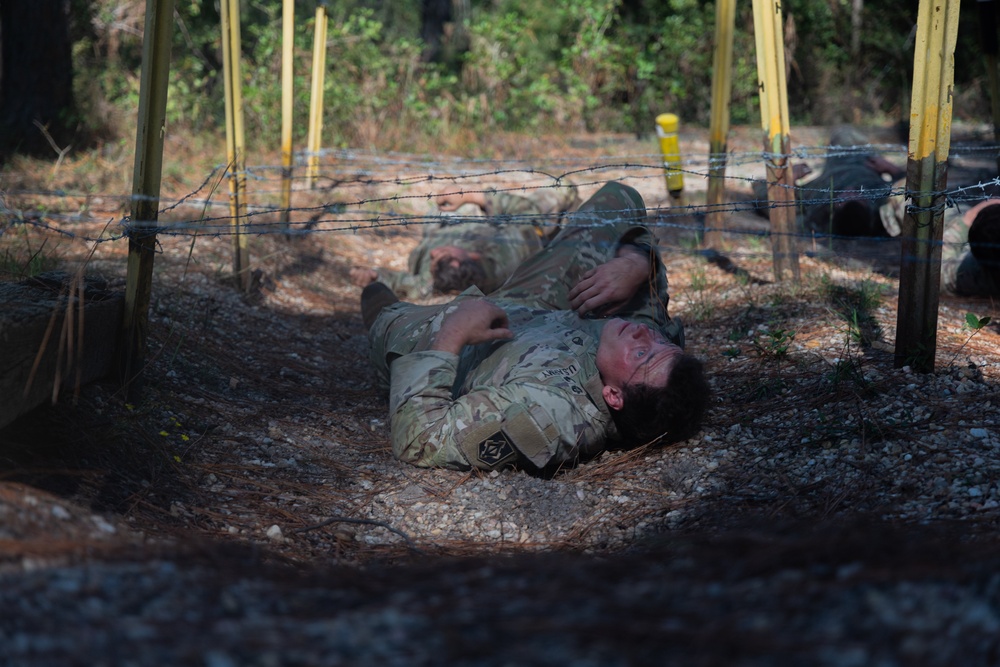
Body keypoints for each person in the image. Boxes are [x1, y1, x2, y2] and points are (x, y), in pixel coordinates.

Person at [362, 181, 710, 473]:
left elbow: (419, 442)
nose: (644, 334)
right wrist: (635, 262)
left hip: (467, 339)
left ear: (613, 396)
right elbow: (625, 203)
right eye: (661, 343)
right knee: (616, 200)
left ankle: (376, 293)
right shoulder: (647, 354)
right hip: (540, 305)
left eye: (641, 352)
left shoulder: (547, 413)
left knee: (384, 315)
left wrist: (451, 333)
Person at [350, 181, 581, 299]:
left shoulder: (438, 278)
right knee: (560, 190)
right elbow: (526, 212)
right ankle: (573, 221)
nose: (434, 253)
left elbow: (404, 283)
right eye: (443, 254)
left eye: (435, 259)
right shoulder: (511, 250)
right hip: (514, 226)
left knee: (440, 209)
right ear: (472, 256)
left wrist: (375, 276)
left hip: (448, 226)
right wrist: (472, 196)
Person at [879, 194, 1000, 297]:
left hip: (961, 230)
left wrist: (966, 221)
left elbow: (933, 274)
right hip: (976, 241)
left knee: (910, 199)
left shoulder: (976, 273)